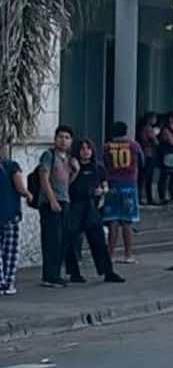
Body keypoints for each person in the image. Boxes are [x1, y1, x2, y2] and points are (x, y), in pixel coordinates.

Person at [65, 139, 124, 284]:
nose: (86, 151)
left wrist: (102, 191)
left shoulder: (98, 168)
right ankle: (74, 272)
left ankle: (107, 271)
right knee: (71, 239)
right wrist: (76, 170)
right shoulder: (72, 166)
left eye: (88, 148)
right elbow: (65, 184)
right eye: (82, 148)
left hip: (91, 204)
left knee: (98, 239)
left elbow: (105, 185)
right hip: (75, 204)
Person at [102, 121, 144, 264]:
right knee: (127, 221)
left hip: (112, 185)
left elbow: (104, 164)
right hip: (129, 186)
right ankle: (128, 254)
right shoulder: (134, 146)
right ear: (126, 131)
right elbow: (142, 162)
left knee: (112, 220)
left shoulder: (107, 147)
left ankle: (110, 255)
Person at [38, 126, 75, 287]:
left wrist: (76, 171)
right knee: (52, 239)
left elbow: (67, 184)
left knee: (61, 240)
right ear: (55, 139)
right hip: (50, 203)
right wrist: (52, 200)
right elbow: (44, 178)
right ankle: (50, 276)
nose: (63, 140)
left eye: (67, 137)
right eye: (60, 136)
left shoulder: (67, 158)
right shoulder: (48, 155)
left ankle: (56, 274)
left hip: (64, 201)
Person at [0, 139, 30, 295]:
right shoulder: (11, 166)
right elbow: (20, 187)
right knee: (10, 249)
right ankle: (9, 281)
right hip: (10, 213)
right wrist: (29, 194)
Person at [136, 112, 159, 205]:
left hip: (144, 153)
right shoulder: (148, 129)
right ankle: (149, 198)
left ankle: (140, 196)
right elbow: (156, 141)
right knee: (148, 177)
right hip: (149, 154)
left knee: (142, 177)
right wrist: (156, 134)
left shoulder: (142, 128)